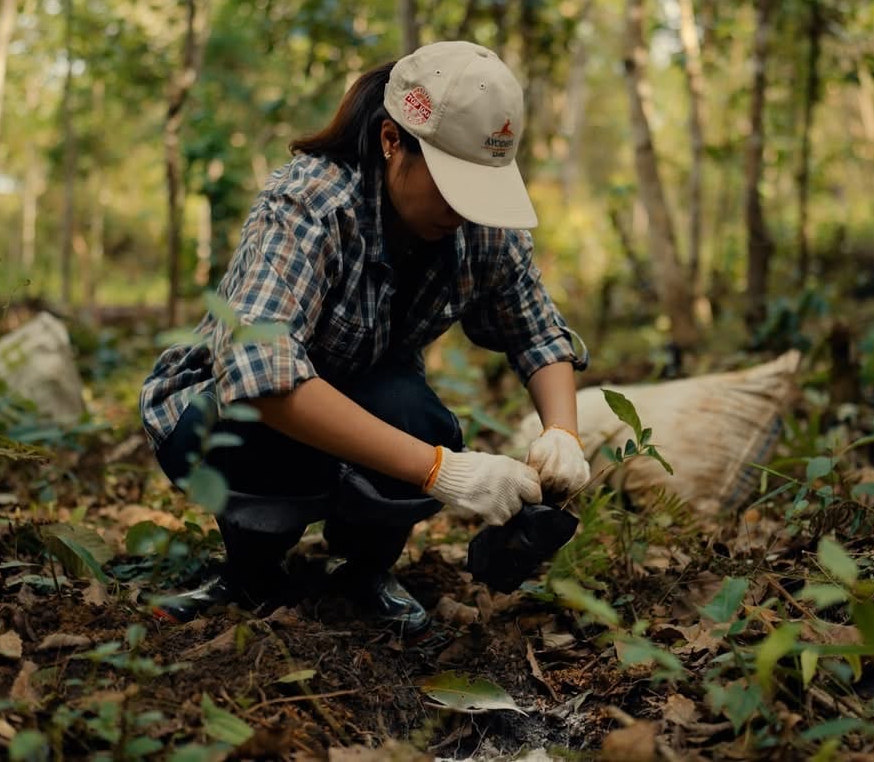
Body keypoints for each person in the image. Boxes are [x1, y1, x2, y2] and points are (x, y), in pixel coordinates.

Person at [139, 41, 594, 636]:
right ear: (391, 141)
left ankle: (366, 571)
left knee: (415, 412)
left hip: (365, 408)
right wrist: (442, 472)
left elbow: (537, 331)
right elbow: (261, 380)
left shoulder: (481, 231)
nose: (462, 210)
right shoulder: (311, 204)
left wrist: (562, 431)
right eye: (450, 183)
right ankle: (250, 568)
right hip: (225, 417)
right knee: (256, 427)